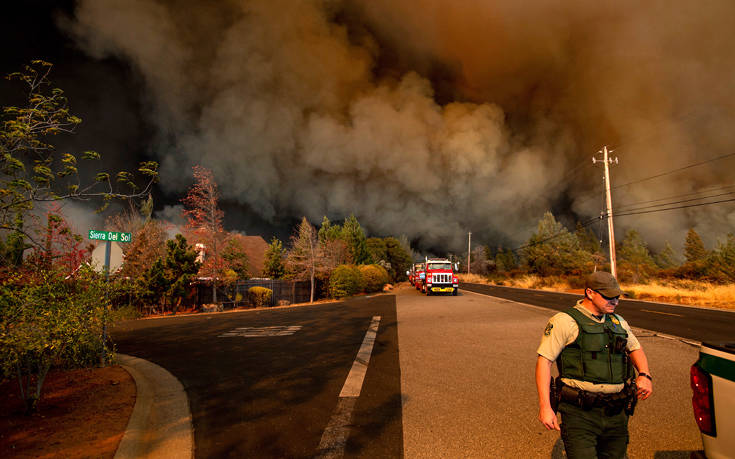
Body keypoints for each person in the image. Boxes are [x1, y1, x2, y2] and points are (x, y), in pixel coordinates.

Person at [535, 271, 653, 459]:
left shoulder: (618, 322)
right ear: (590, 293)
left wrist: (645, 375)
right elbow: (544, 362)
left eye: (617, 297)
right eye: (609, 297)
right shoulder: (565, 321)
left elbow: (635, 349)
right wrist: (545, 407)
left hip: (616, 411)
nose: (615, 302)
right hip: (580, 413)